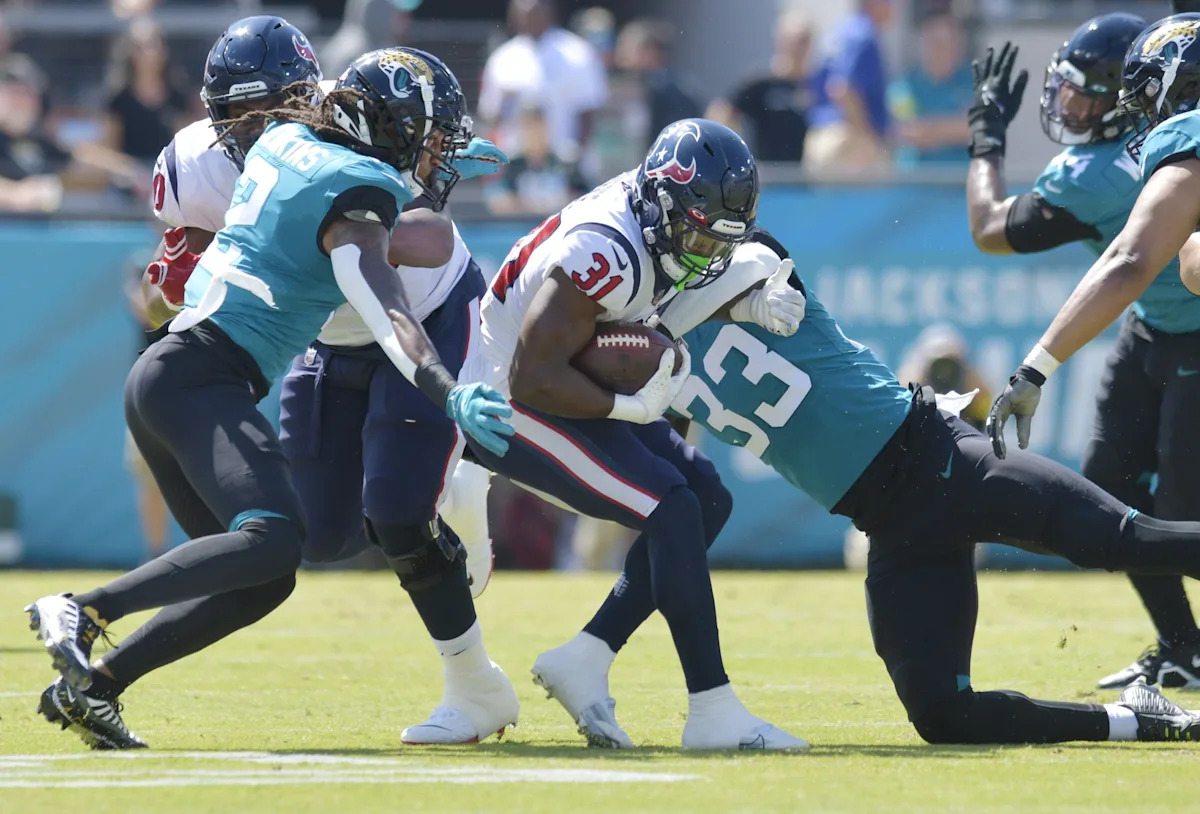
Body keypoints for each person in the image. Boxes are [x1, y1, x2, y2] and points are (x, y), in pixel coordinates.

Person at [25, 46, 514, 750]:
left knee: (262, 573)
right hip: (203, 377)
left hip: (168, 375)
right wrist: (447, 389)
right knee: (273, 537)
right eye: (429, 137)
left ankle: (97, 685)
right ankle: (87, 609)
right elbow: (389, 310)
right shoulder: (359, 189)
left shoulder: (283, 139)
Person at [654, 231, 1200, 744]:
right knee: (943, 715)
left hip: (942, 459)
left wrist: (660, 317)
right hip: (890, 524)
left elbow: (754, 254)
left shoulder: (749, 265)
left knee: (1123, 541)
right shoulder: (647, 349)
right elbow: (663, 451)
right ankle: (1136, 719)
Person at [463, 118, 807, 750]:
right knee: (672, 508)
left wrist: (748, 302)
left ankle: (586, 657)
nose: (705, 255)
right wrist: (629, 406)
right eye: (697, 237)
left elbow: (674, 287)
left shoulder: (665, 220)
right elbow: (531, 376)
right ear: (660, 205)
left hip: (557, 375)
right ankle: (712, 709)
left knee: (706, 498)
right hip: (505, 399)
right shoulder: (605, 252)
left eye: (718, 243)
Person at [276, 48, 521, 746]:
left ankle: (475, 688)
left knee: (397, 510)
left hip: (426, 319)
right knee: (323, 533)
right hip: (337, 339)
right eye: (433, 139)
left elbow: (426, 240)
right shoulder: (285, 154)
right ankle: (450, 485)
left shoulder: (376, 166)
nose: (442, 157)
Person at [984, 14, 1200, 690]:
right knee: (1112, 487)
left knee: (1184, 517)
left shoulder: (1171, 141)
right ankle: (1184, 649)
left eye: (1146, 93)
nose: (1140, 113)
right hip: (1151, 329)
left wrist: (1036, 366)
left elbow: (1132, 258)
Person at [477, 0, 607, 168]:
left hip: (565, 160)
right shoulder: (503, 57)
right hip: (516, 161)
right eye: (524, 15)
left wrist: (578, 152)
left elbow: (590, 108)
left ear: (549, 14)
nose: (530, 20)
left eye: (536, 14)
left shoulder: (576, 53)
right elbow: (490, 113)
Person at [706, 11, 814, 163]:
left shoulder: (817, 85)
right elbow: (721, 114)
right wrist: (729, 154)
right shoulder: (761, 83)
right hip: (767, 171)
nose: (797, 48)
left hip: (803, 174)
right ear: (779, 41)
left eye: (803, 41)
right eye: (793, 41)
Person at [805, 0, 893, 170]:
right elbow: (841, 89)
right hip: (848, 140)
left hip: (823, 136)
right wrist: (867, 138)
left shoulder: (841, 31)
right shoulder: (863, 35)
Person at [889, 12, 973, 167]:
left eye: (950, 43)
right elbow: (906, 131)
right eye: (937, 44)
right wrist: (954, 129)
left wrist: (930, 130)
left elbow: (979, 129)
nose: (945, 50)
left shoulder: (974, 83)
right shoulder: (903, 88)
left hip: (961, 178)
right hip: (916, 177)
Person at [104, 16, 189, 167]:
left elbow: (183, 146)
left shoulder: (177, 97)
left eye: (155, 44)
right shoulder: (118, 100)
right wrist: (133, 172)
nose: (151, 52)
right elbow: (111, 150)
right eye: (142, 46)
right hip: (129, 177)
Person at [485, 104, 588, 216]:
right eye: (529, 127)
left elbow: (586, 198)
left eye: (538, 126)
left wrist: (558, 202)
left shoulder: (566, 163)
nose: (534, 133)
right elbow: (496, 200)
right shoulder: (512, 165)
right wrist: (530, 205)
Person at [614, 20, 700, 151]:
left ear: (650, 51)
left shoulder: (671, 91)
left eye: (627, 45)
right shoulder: (638, 83)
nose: (620, 51)